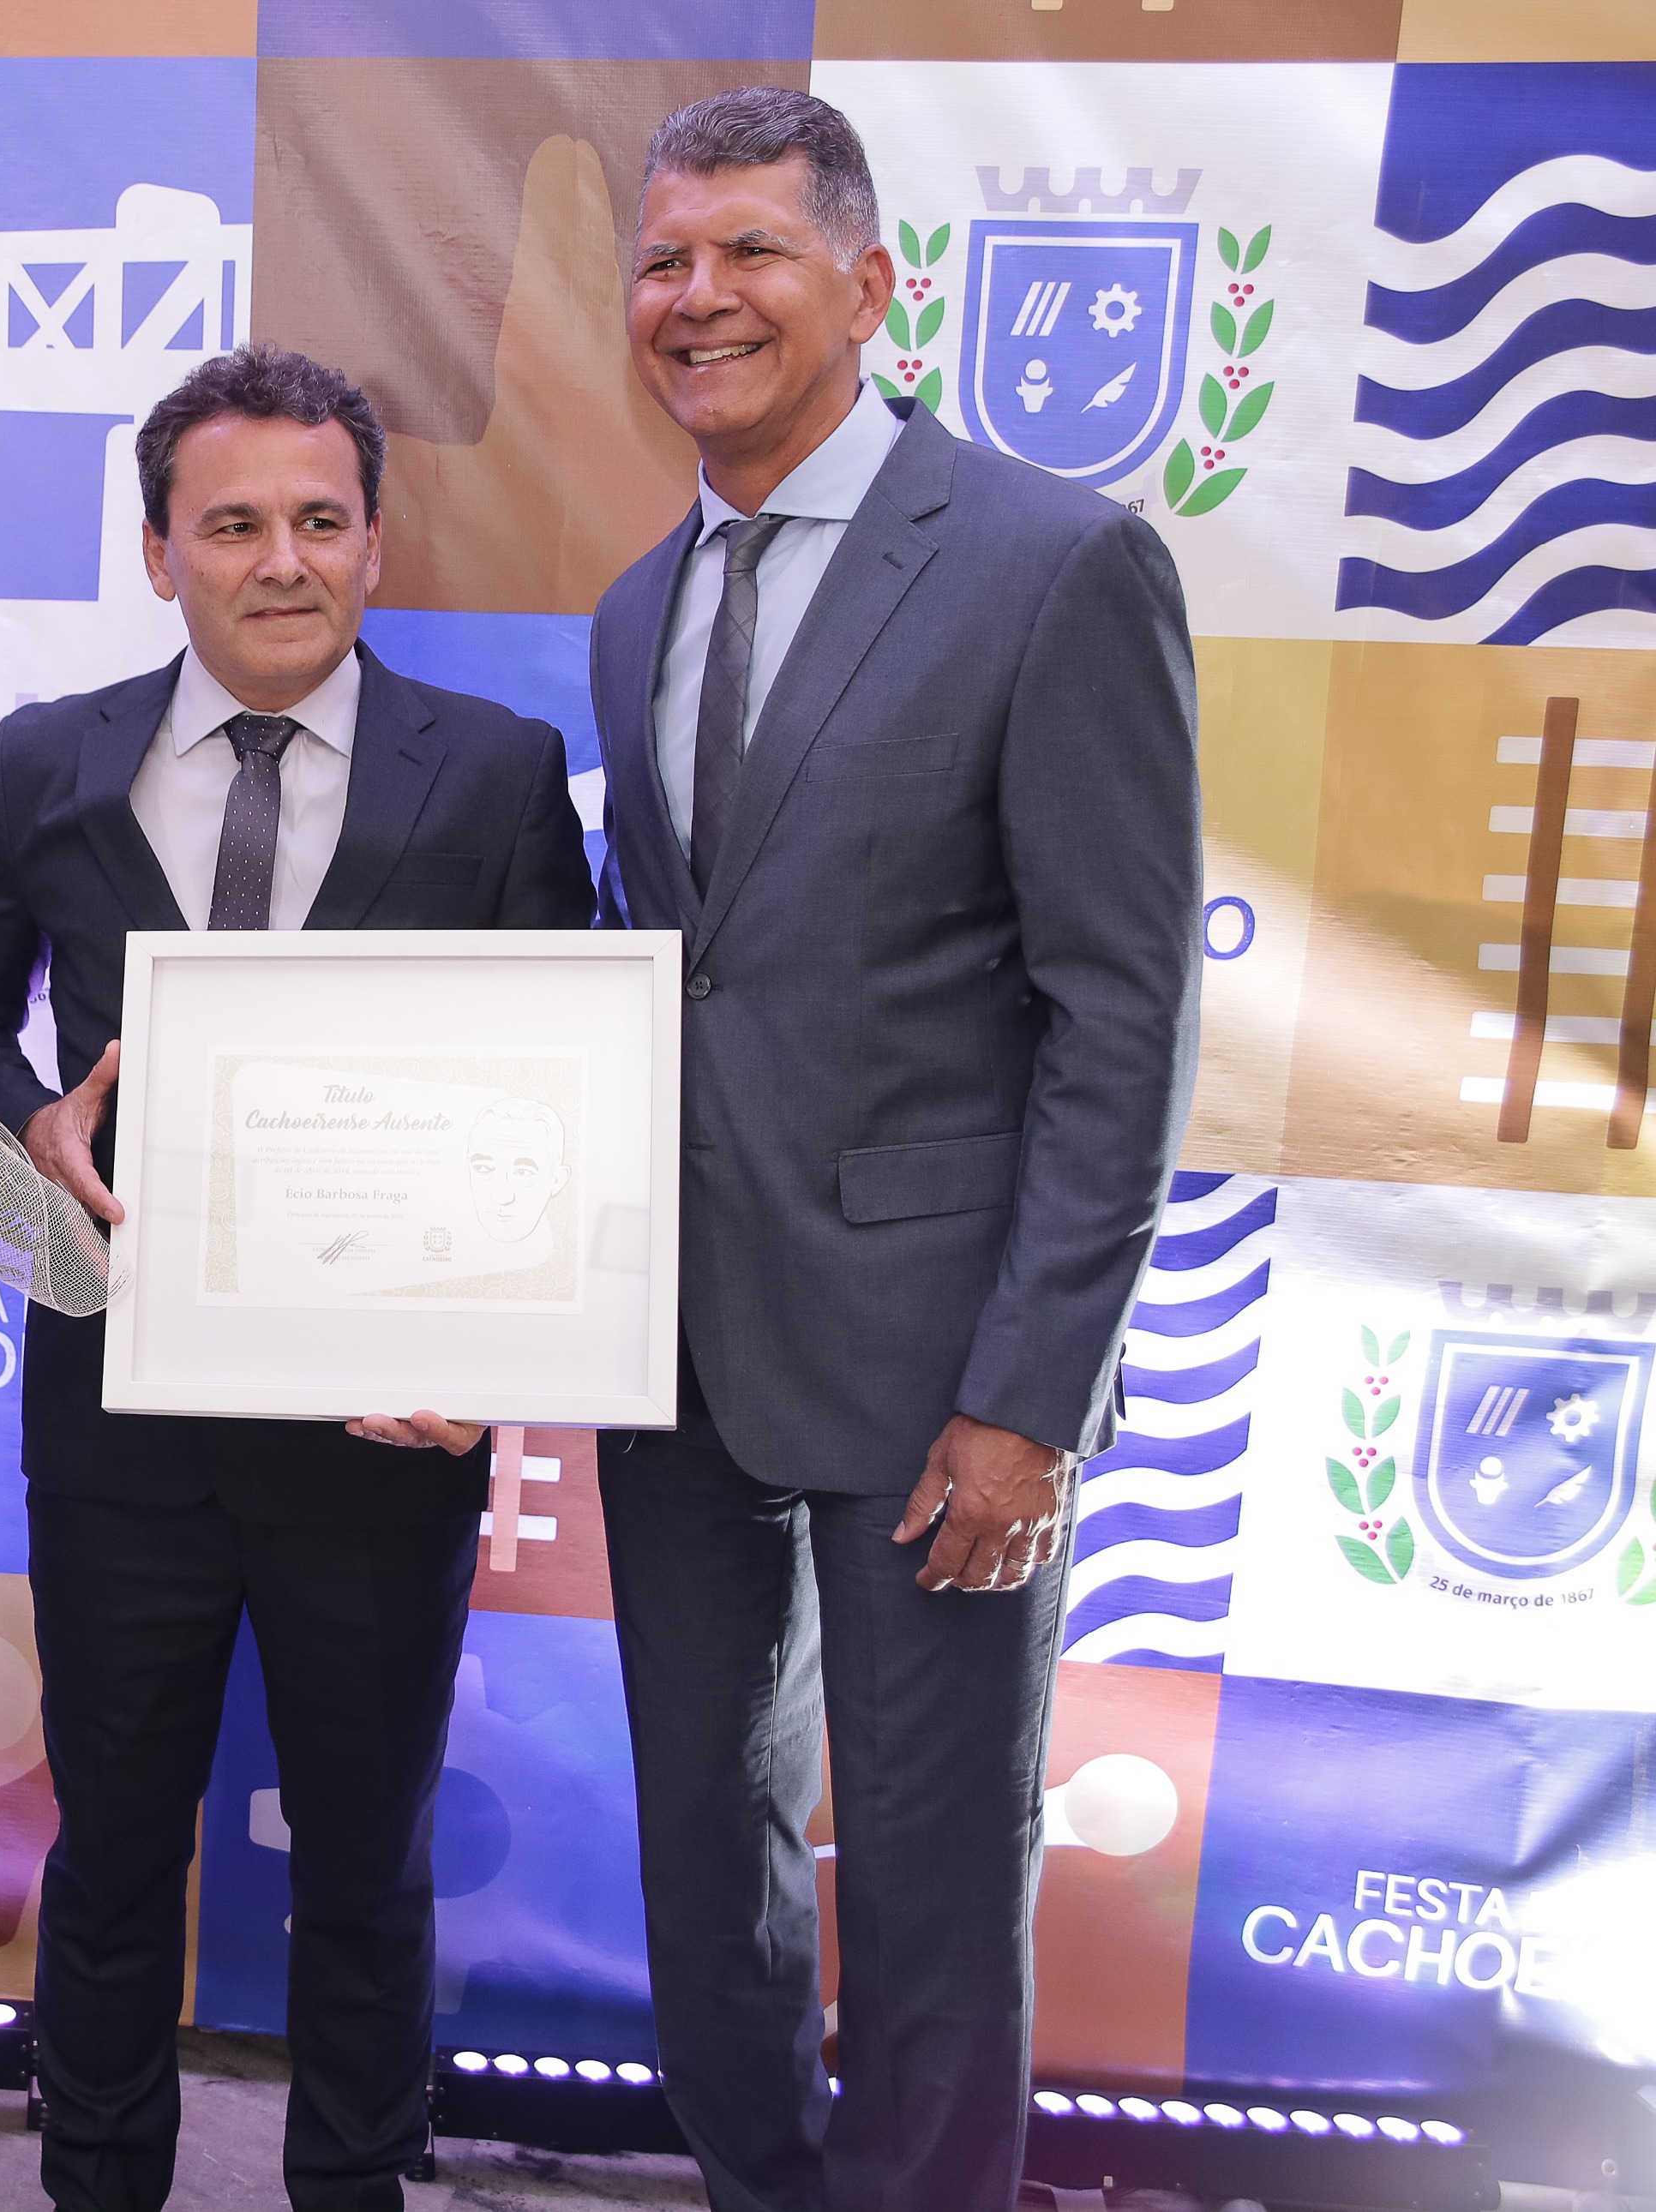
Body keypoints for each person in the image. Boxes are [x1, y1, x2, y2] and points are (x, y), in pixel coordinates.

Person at [585, 87, 1201, 2209]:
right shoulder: (636, 603)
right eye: (663, 260)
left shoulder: (1053, 562)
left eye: (749, 251)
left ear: (863, 283)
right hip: (671, 1358)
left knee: (934, 1880)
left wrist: (1030, 1396)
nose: (698, 296)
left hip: (943, 1373)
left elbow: (1123, 1016)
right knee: (702, 1850)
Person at [0, 346, 594, 2212]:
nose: (278, 560)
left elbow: (572, 1083)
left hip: (381, 1428)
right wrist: (32, 1117)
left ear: (373, 542)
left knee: (366, 1863)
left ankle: (352, 2188)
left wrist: (503, 1347)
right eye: (230, 525)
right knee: (114, 1849)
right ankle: (97, 2181)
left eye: (316, 520)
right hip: (119, 1416)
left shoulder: (500, 771)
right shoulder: (50, 757)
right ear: (158, 553)